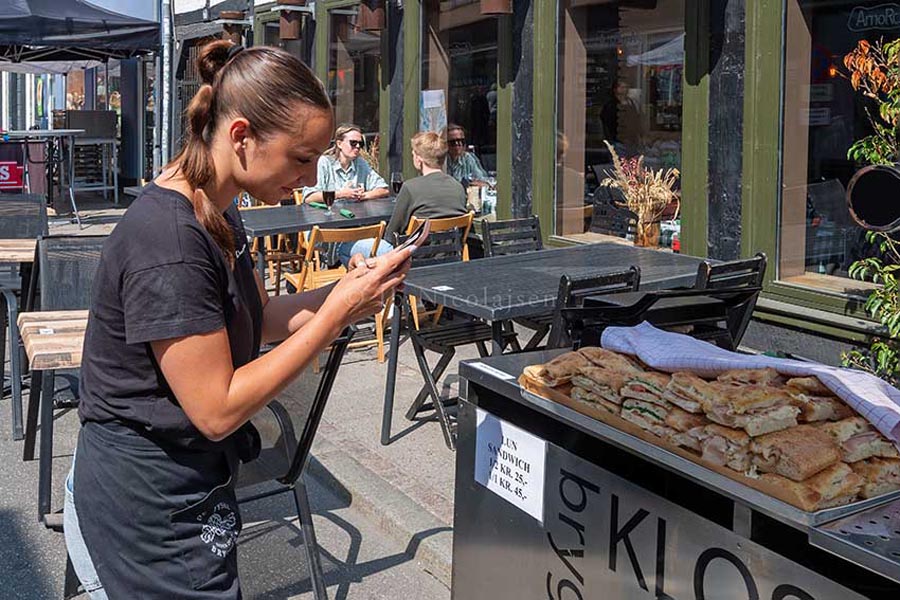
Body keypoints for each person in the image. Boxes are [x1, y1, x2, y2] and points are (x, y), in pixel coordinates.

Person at [63, 40, 411, 599]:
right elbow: (217, 409)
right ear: (242, 136)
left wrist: (346, 292)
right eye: (301, 157)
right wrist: (335, 315)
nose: (309, 176)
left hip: (189, 486)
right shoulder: (170, 241)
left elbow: (262, 316)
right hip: (145, 505)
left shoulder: (218, 208)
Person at [384, 131, 467, 242]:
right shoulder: (458, 187)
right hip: (452, 251)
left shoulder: (410, 188)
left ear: (419, 159)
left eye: (413, 154)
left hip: (415, 251)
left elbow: (391, 235)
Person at [302, 123, 390, 203]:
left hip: (356, 214)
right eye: (353, 143)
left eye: (360, 143)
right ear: (339, 144)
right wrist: (341, 194)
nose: (358, 146)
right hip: (329, 214)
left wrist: (362, 196)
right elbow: (309, 197)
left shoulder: (360, 163)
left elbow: (384, 190)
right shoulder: (324, 163)